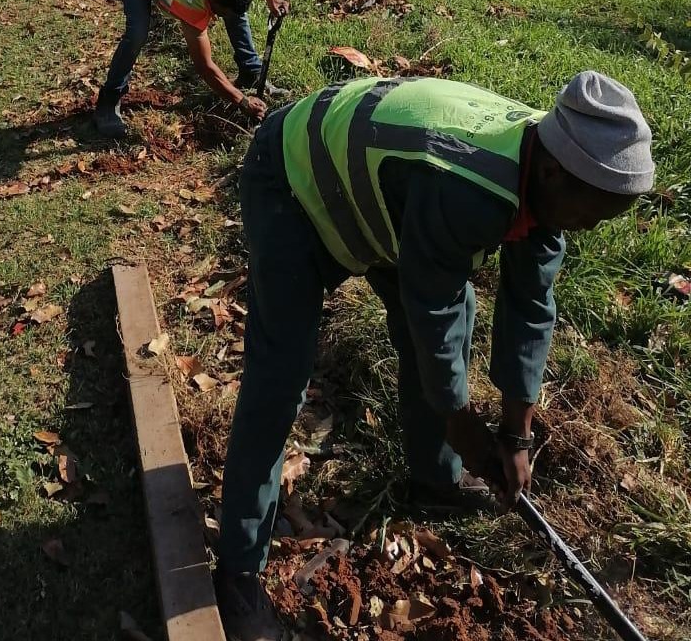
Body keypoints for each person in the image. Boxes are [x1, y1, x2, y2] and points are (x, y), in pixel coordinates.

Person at [215, 71, 655, 641]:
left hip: (387, 193)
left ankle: (434, 479)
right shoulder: (469, 187)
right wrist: (462, 422)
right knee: (281, 375)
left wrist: (516, 433)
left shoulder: (545, 169)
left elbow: (530, 307)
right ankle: (238, 570)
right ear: (552, 171)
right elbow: (433, 310)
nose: (590, 227)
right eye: (592, 214)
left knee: (452, 324)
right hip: (294, 177)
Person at [94, 0, 290, 138]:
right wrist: (242, 101)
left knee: (234, 9)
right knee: (137, 31)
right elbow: (204, 66)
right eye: (217, 11)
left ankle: (251, 72)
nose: (217, 18)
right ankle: (108, 101)